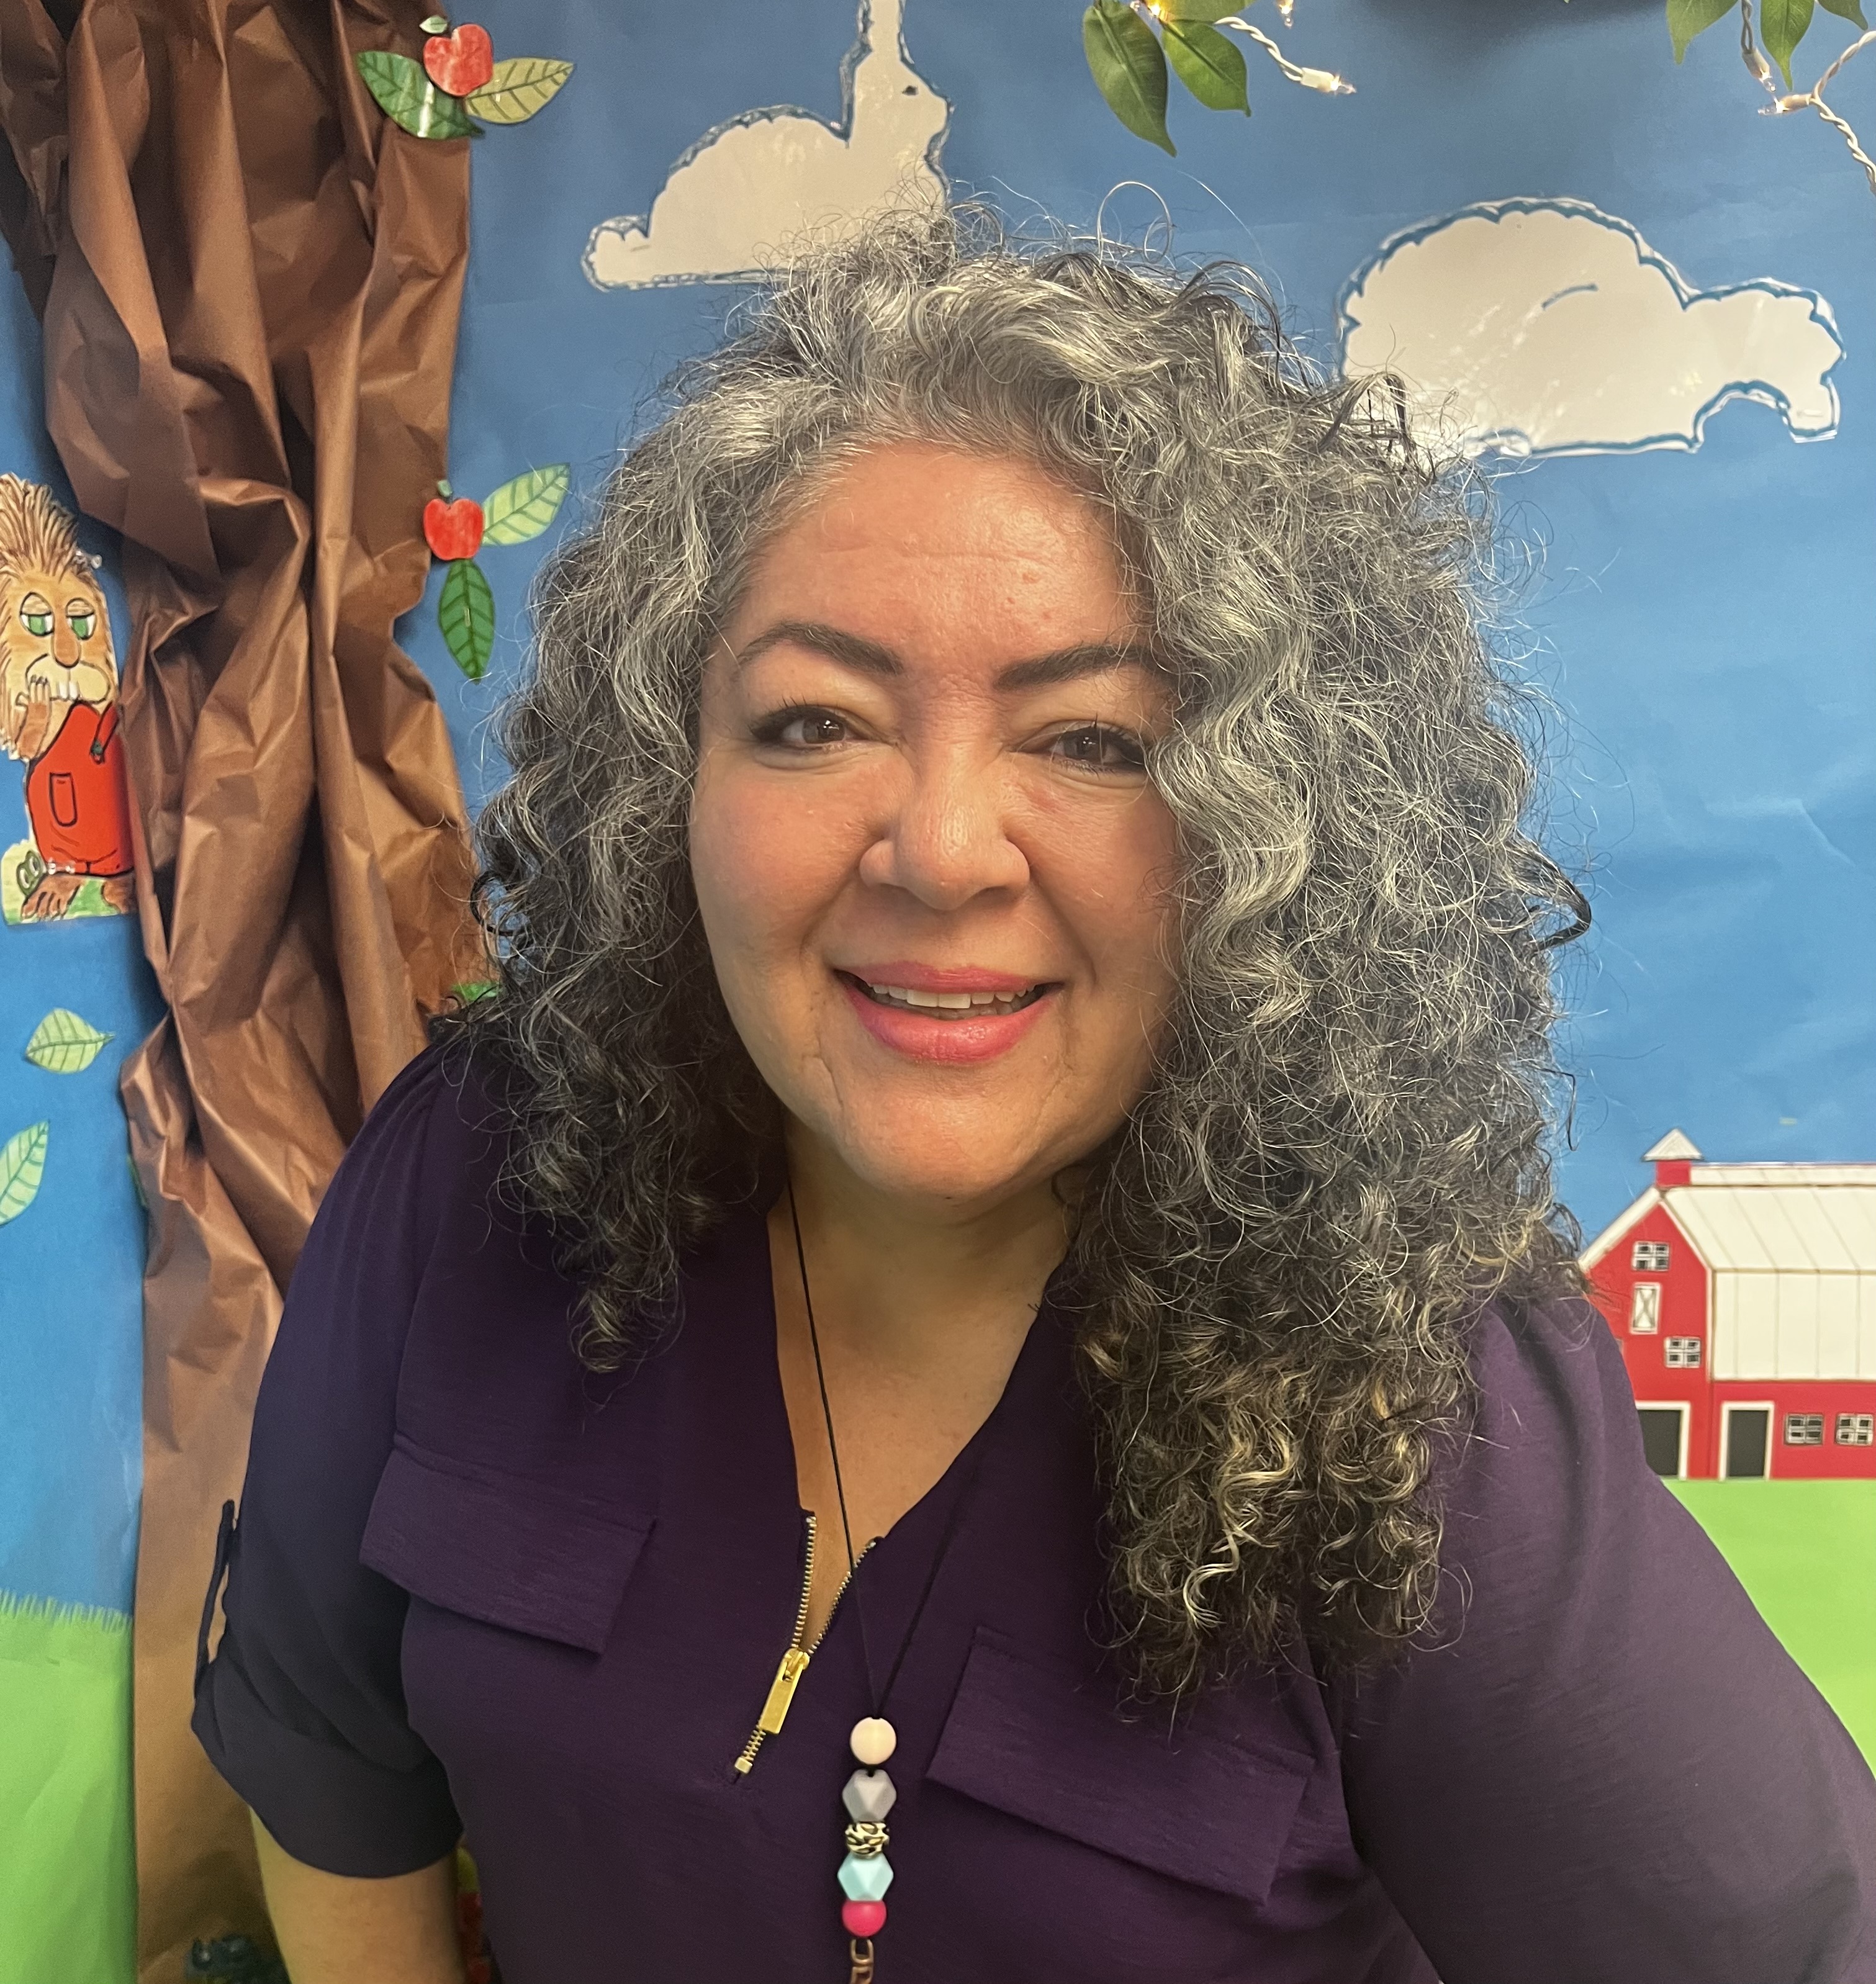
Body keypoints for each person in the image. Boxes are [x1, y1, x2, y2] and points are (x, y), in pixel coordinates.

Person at [194, 210, 1876, 1984]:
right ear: (660, 779)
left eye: (1094, 741)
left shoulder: (1417, 1392)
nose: (936, 847)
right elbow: (331, 1779)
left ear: (1282, 832)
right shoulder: (475, 1176)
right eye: (814, 720)